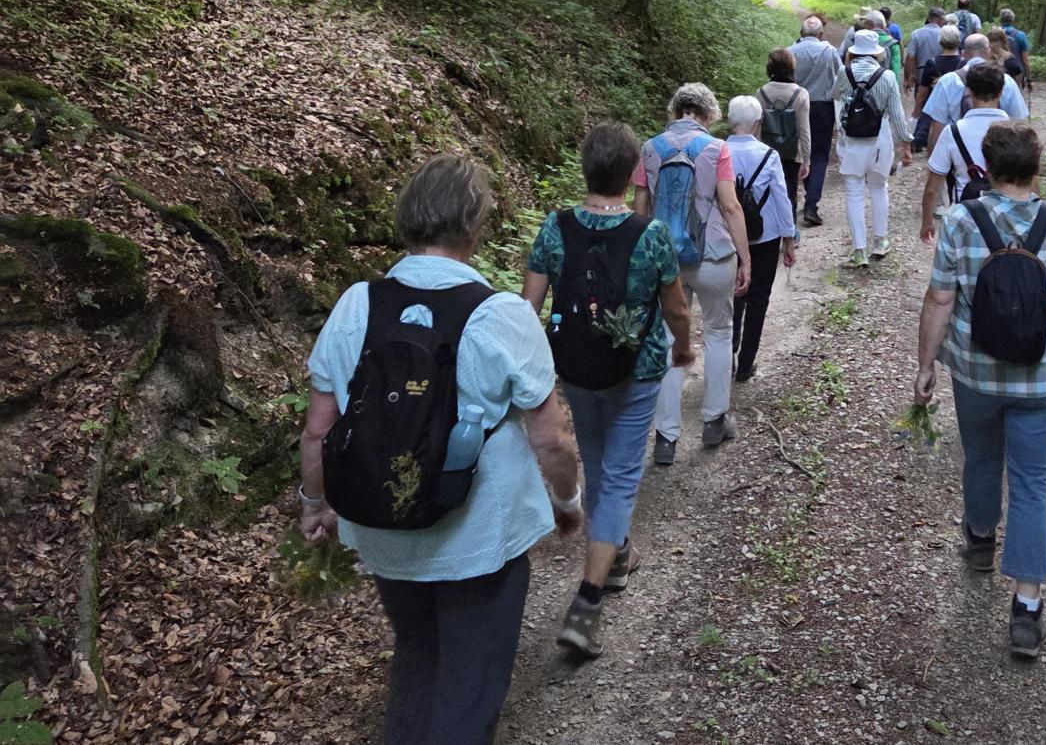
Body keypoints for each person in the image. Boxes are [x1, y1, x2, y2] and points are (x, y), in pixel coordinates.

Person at [299, 154, 584, 745]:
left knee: (417, 655)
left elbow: (319, 430)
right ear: (475, 225)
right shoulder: (501, 313)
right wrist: (568, 500)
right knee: (470, 681)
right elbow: (550, 437)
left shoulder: (356, 303)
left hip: (383, 524)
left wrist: (315, 503)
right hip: (480, 535)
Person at [913, 121, 1046, 658]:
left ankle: (981, 540)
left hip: (976, 371)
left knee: (982, 458)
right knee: (1033, 480)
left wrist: (926, 366)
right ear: (1037, 168)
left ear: (987, 170)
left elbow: (940, 299)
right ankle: (1028, 609)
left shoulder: (963, 219)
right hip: (1041, 373)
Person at [523, 123, 696, 658]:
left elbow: (527, 306)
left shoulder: (555, 229)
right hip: (637, 371)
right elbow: (675, 308)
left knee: (600, 467)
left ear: (586, 169)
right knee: (619, 478)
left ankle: (617, 555)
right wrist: (684, 349)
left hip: (575, 368)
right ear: (630, 176)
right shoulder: (651, 235)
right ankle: (587, 602)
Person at [634, 83, 752, 464]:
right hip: (714, 254)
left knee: (668, 339)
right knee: (719, 332)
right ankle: (714, 421)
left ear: (676, 109)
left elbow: (639, 211)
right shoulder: (718, 149)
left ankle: (665, 438)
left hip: (665, 257)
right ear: (708, 113)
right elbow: (731, 206)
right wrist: (746, 258)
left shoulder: (649, 148)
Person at [724, 96, 798, 383]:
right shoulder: (769, 155)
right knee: (758, 300)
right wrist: (789, 239)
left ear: (730, 121)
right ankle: (745, 365)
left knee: (730, 299)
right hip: (764, 238)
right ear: (757, 124)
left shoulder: (717, 151)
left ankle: (726, 356)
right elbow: (782, 199)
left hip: (728, 239)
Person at [833, 29, 913, 268]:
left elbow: (835, 94)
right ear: (877, 53)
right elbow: (897, 114)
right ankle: (880, 241)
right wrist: (906, 142)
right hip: (880, 140)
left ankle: (859, 251)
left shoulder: (843, 72)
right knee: (879, 188)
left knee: (854, 193)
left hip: (852, 141)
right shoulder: (887, 76)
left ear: (853, 51)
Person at [921, 60, 1010, 244]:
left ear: (968, 90)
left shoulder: (953, 132)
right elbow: (1031, 182)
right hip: (1006, 217)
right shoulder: (1015, 131)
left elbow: (932, 187)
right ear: (1001, 91)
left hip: (965, 216)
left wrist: (927, 221)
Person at [922, 33, 1029, 165]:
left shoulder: (947, 81)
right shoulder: (1006, 81)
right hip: (998, 155)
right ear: (989, 52)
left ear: (964, 53)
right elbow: (1019, 122)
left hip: (959, 155)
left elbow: (937, 125)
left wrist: (933, 162)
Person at [791, 16, 839, 228]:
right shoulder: (830, 52)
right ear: (821, 34)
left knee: (797, 153)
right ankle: (811, 204)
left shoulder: (789, 52)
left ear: (801, 34)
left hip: (794, 105)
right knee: (819, 154)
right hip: (822, 107)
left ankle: (792, 205)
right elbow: (840, 79)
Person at [757, 48, 811, 215]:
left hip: (766, 152)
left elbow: (757, 126)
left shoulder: (761, 93)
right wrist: (806, 159)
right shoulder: (801, 94)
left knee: (768, 193)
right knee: (790, 193)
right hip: (792, 153)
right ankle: (790, 234)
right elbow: (804, 130)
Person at [912, 25, 964, 152]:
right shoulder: (964, 63)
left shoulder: (932, 63)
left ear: (940, 42)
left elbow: (922, 92)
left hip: (935, 107)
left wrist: (917, 110)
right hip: (958, 107)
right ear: (958, 41)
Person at [903, 7, 947, 97]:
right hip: (941, 77)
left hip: (921, 76)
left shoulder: (916, 34)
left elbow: (910, 58)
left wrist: (907, 78)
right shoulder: (946, 34)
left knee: (920, 103)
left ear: (929, 18)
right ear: (942, 19)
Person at [998, 8, 1032, 89]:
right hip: (1016, 73)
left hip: (997, 71)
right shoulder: (1021, 35)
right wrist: (1029, 79)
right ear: (1012, 19)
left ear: (1000, 19)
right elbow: (1025, 60)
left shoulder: (993, 33)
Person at [867, 9, 902, 85]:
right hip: (884, 84)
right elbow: (895, 69)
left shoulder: (862, 41)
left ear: (871, 25)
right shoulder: (893, 43)